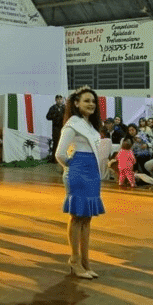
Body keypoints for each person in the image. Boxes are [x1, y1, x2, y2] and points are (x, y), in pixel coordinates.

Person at [55, 86, 106, 279]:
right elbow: (59, 153)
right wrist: (72, 167)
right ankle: (75, 260)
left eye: (93, 101)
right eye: (86, 100)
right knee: (77, 218)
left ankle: (86, 262)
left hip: (92, 172)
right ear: (76, 103)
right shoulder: (73, 124)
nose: (91, 104)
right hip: (78, 171)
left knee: (87, 218)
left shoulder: (90, 125)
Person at [46, 95, 66, 162]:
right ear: (56, 100)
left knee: (63, 143)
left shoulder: (64, 107)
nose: (59, 100)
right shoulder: (53, 108)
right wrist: (55, 115)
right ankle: (54, 159)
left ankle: (63, 158)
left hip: (63, 127)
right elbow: (48, 117)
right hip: (56, 128)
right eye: (58, 99)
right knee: (55, 143)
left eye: (61, 99)